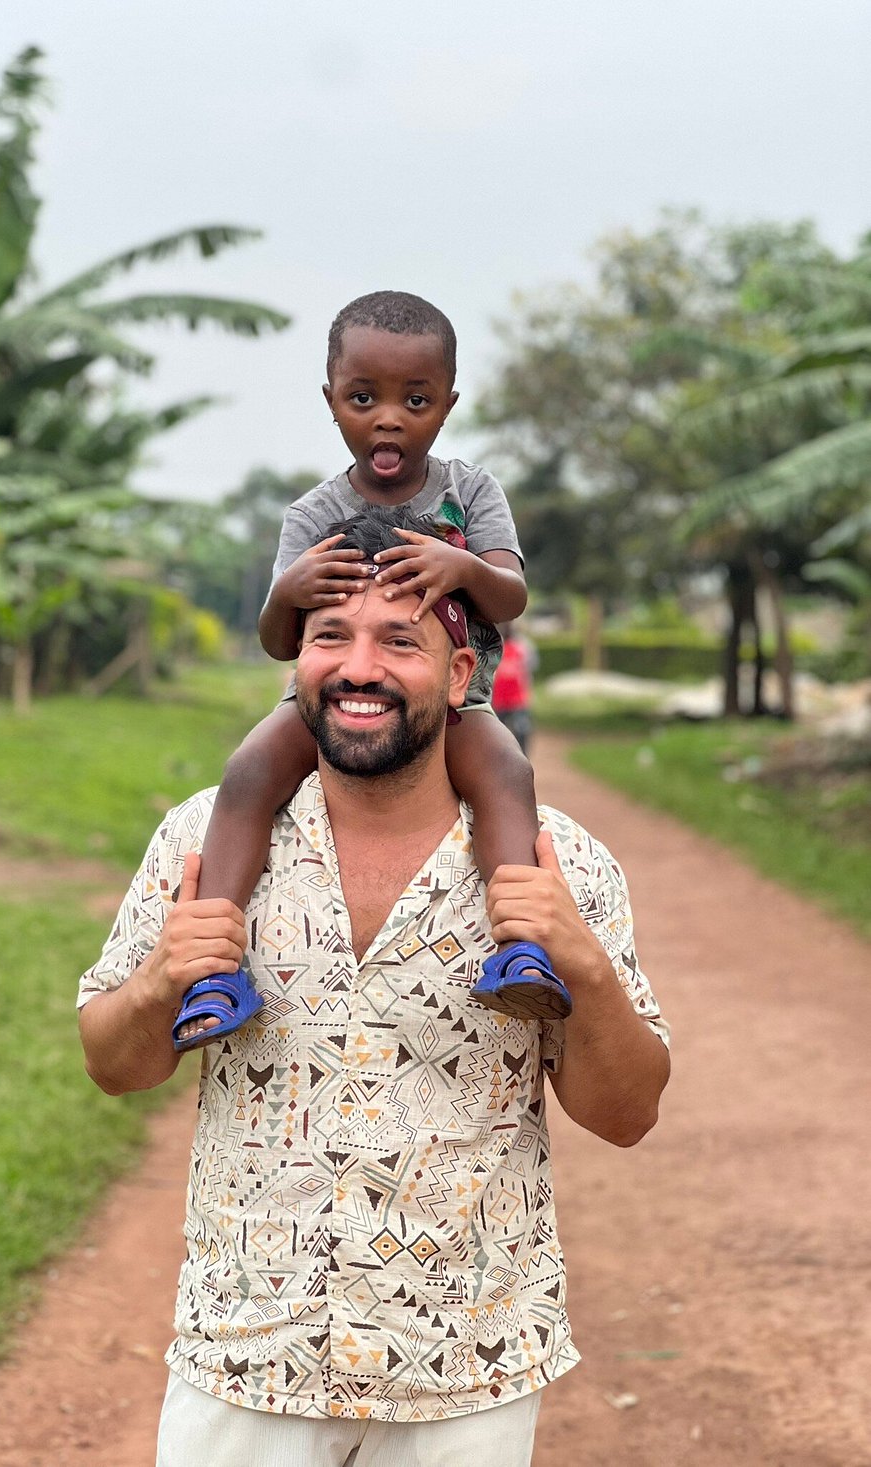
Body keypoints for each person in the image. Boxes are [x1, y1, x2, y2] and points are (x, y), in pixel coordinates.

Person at [78, 514, 671, 1467]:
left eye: (400, 640)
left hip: (465, 1371)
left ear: (462, 674)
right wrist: (161, 981)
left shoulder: (559, 868)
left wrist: (585, 970)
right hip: (249, 1355)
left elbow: (628, 1110)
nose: (359, 668)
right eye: (329, 637)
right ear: (296, 662)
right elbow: (111, 1063)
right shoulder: (206, 842)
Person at [173, 289, 569, 1054]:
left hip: (458, 700)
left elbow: (510, 596)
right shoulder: (313, 515)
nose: (389, 418)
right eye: (364, 397)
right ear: (331, 401)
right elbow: (278, 641)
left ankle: (522, 946)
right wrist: (286, 591)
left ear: (447, 405)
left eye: (415, 399)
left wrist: (460, 565)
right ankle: (211, 967)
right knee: (250, 770)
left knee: (506, 774)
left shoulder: (472, 495)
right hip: (327, 701)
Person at [491, 624, 537, 756]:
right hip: (499, 699)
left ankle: (523, 758)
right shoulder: (495, 646)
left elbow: (530, 668)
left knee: (522, 731)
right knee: (497, 735)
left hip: (518, 699)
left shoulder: (523, 646)